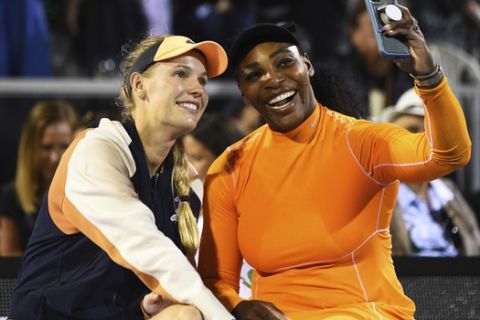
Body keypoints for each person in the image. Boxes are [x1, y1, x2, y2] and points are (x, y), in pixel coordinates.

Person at [198, 6, 472, 319]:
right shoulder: (229, 168)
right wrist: (239, 306)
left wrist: (428, 76)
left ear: (308, 66)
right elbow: (217, 279)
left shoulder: (362, 142)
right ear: (244, 95)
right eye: (253, 75)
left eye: (284, 62)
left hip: (365, 313)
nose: (272, 79)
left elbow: (449, 154)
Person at [8, 34, 234, 320]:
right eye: (181, 74)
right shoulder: (97, 150)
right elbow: (148, 250)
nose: (197, 89)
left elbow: (181, 278)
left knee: (183, 315)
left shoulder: (188, 181)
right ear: (139, 85)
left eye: (202, 81)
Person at [382, 88, 480, 257]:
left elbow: (474, 246)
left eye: (429, 132)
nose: (422, 140)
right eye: (412, 130)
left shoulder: (448, 190)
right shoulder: (378, 191)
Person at [0, 100, 78, 256]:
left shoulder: (85, 195)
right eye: (47, 147)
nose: (55, 157)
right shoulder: (11, 198)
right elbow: (7, 259)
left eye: (63, 146)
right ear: (31, 148)